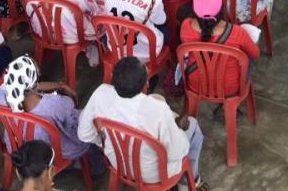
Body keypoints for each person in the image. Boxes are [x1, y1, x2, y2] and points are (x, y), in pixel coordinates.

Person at [78, 56, 207, 188]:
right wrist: (178, 128)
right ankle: (188, 183)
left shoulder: (101, 93)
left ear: (112, 76)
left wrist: (104, 142)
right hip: (153, 174)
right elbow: (178, 152)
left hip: (117, 163)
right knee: (193, 128)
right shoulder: (158, 109)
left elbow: (84, 133)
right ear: (146, 83)